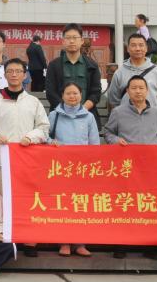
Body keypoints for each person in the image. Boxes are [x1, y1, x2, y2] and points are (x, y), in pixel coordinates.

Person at [0, 57, 49, 257]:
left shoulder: (33, 102)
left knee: (28, 199)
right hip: (5, 160)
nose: (14, 74)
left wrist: (30, 137)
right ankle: (8, 238)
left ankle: (29, 239)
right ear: (5, 75)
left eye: (18, 71)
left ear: (25, 75)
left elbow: (43, 127)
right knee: (4, 199)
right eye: (10, 71)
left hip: (28, 160)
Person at [104, 75, 157, 259]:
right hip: (126, 167)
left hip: (150, 168)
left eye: (141, 88)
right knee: (125, 204)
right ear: (127, 91)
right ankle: (121, 244)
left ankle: (151, 245)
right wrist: (116, 140)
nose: (138, 91)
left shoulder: (156, 112)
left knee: (148, 205)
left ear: (147, 91)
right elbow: (108, 132)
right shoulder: (118, 112)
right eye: (134, 88)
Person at [47, 82, 99, 257]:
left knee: (81, 205)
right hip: (61, 168)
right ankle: (64, 242)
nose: (72, 96)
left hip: (82, 169)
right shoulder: (54, 115)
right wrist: (51, 143)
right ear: (62, 96)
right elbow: (45, 137)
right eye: (68, 93)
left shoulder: (89, 117)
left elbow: (94, 144)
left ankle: (80, 243)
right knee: (63, 205)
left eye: (75, 93)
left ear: (81, 95)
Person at [45, 23, 102, 128]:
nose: (71, 41)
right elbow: (50, 92)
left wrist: (82, 110)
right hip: (60, 117)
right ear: (63, 41)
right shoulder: (53, 65)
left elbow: (96, 92)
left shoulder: (92, 65)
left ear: (82, 41)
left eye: (75, 38)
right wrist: (65, 110)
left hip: (86, 116)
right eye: (68, 38)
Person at [107, 33, 157, 108]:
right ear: (128, 49)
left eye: (141, 45)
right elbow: (113, 99)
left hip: (152, 114)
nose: (137, 49)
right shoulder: (120, 72)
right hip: (127, 115)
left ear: (146, 48)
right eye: (133, 45)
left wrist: (153, 109)